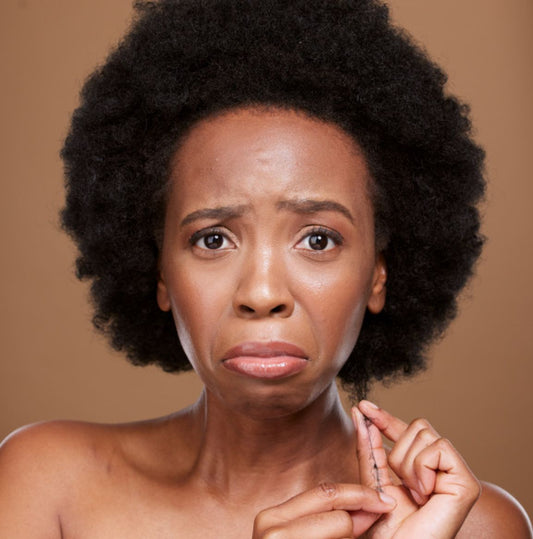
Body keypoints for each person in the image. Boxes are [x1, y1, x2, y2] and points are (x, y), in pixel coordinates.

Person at [0, 0, 531, 536]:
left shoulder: (467, 524)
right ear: (160, 271)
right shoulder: (47, 484)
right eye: (213, 238)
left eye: (318, 239)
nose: (261, 292)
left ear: (378, 274)